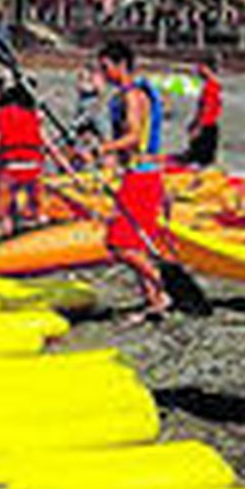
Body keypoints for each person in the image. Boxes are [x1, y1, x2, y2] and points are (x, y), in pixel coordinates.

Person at [89, 40, 172, 324]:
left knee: (120, 244)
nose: (102, 73)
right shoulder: (128, 95)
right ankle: (154, 301)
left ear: (120, 64)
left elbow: (135, 136)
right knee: (135, 244)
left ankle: (164, 285)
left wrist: (104, 148)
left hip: (143, 177)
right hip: (139, 174)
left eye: (105, 67)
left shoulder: (132, 96)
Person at [0, 83, 67, 240]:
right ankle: (41, 232)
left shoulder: (1, 116)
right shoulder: (35, 117)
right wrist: (66, 168)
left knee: (1, 212)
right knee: (37, 206)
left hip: (11, 169)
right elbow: (50, 146)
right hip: (33, 169)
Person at [178, 57, 224, 167]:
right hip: (208, 126)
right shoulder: (214, 86)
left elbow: (207, 109)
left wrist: (198, 127)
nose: (197, 69)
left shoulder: (211, 87)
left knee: (199, 161)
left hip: (206, 127)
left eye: (201, 67)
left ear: (208, 68)